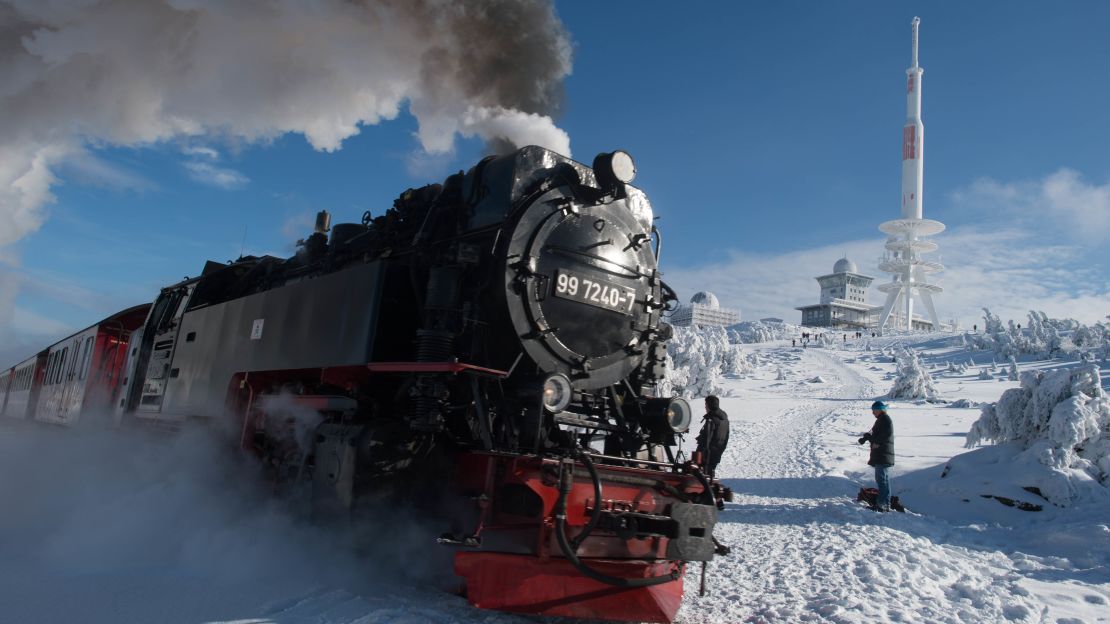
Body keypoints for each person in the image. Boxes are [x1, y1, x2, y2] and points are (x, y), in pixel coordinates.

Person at [858, 400, 895, 511]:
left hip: (883, 455)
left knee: (882, 480)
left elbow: (885, 435)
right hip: (882, 454)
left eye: (874, 410)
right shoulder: (881, 420)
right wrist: (866, 438)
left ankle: (882, 505)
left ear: (879, 410)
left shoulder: (885, 420)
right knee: (883, 480)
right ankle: (884, 504)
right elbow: (876, 434)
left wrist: (875, 442)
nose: (873, 413)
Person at [696, 395, 729, 478]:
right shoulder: (724, 419)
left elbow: (707, 439)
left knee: (702, 478)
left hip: (707, 455)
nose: (705, 407)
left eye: (706, 404)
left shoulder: (712, 419)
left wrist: (701, 454)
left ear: (709, 405)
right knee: (710, 477)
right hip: (717, 452)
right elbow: (726, 437)